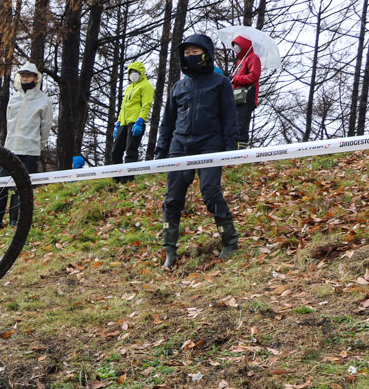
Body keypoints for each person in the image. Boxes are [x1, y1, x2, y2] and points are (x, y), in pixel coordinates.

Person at [155, 34, 240, 269]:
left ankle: (230, 241)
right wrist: (161, 150)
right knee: (172, 199)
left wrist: (230, 147)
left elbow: (229, 117)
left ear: (206, 54)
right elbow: (167, 122)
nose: (189, 56)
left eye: (195, 52)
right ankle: (169, 251)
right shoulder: (178, 87)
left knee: (210, 193)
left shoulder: (220, 82)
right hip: (179, 146)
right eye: (186, 53)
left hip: (210, 144)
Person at [0, 62, 51, 230]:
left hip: (29, 149)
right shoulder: (14, 98)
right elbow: (9, 123)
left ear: (36, 78)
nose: (25, 79)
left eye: (28, 76)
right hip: (10, 148)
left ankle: (15, 221)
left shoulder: (44, 101)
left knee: (21, 186)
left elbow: (45, 127)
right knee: (2, 184)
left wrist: (38, 145)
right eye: (23, 76)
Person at [111, 61, 154, 183]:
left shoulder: (146, 86)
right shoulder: (129, 88)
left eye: (135, 72)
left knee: (130, 151)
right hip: (124, 123)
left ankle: (128, 179)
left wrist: (140, 120)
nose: (133, 74)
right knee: (116, 151)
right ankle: (116, 179)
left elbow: (146, 104)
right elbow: (123, 106)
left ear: (141, 73)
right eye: (131, 72)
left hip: (135, 122)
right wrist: (118, 122)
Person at [230, 35, 261, 149]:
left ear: (244, 45)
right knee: (235, 124)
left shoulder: (253, 57)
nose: (235, 48)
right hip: (238, 96)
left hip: (247, 96)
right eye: (234, 46)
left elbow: (253, 76)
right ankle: (234, 148)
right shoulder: (240, 61)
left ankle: (241, 151)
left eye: (237, 45)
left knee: (241, 125)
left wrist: (234, 79)